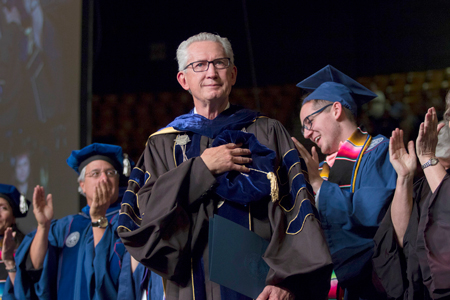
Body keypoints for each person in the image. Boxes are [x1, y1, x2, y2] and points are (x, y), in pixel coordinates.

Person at [118, 32, 333, 300]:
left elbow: (296, 209)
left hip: (263, 289)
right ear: (183, 80)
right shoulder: (162, 145)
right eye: (199, 65)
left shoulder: (266, 132)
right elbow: (145, 216)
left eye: (219, 63)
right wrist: (201, 168)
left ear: (232, 74)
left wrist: (286, 279)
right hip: (191, 288)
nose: (211, 72)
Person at [292, 65, 397, 300]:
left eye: (309, 121)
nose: (307, 133)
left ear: (336, 110)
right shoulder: (319, 170)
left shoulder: (380, 151)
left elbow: (377, 212)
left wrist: (319, 187)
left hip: (369, 289)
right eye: (302, 127)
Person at [4, 143, 134, 300]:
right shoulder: (65, 226)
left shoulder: (129, 222)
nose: (104, 178)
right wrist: (43, 226)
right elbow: (34, 270)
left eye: (110, 173)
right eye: (95, 173)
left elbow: (115, 276)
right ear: (82, 185)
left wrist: (99, 218)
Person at [373, 97, 450, 299]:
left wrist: (428, 158)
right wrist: (405, 177)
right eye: (447, 111)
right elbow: (401, 241)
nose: (443, 123)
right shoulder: (424, 183)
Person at [0, 184, 30, 293]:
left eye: (3, 208)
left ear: (13, 218)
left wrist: (9, 261)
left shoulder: (24, 250)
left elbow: (26, 293)